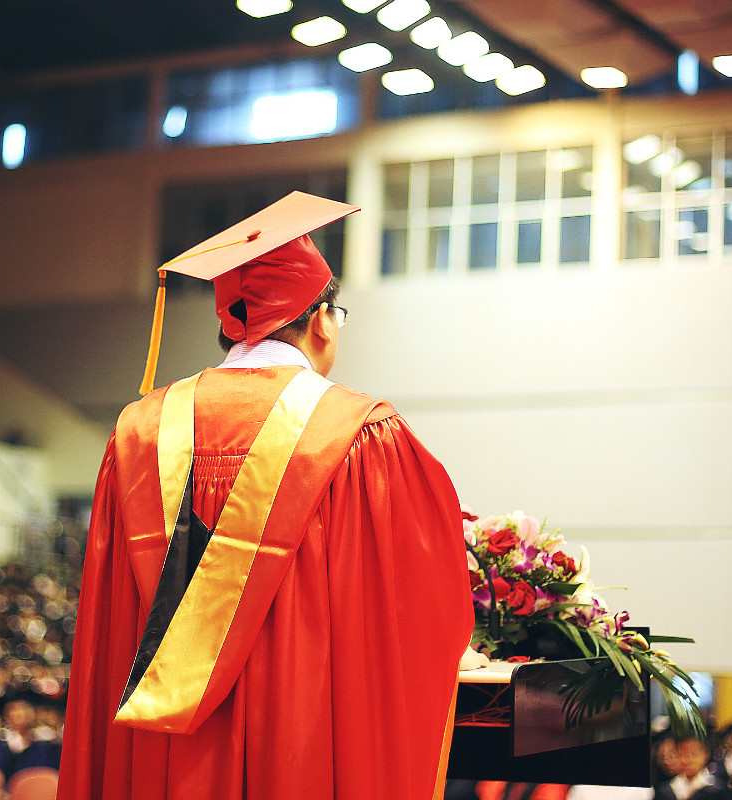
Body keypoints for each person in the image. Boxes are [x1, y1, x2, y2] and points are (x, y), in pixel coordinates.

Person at [59, 192, 472, 799]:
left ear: (233, 321)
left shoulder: (141, 432)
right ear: (322, 318)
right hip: (300, 748)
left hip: (163, 759)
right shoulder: (360, 435)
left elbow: (107, 626)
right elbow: (420, 613)